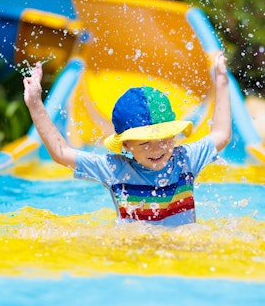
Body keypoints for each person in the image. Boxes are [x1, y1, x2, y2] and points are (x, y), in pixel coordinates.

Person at [23, 51, 231, 227]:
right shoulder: (115, 170)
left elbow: (221, 135)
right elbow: (61, 153)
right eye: (144, 143)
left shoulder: (185, 159)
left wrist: (221, 81)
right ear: (126, 145)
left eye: (164, 139)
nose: (157, 149)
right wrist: (35, 104)